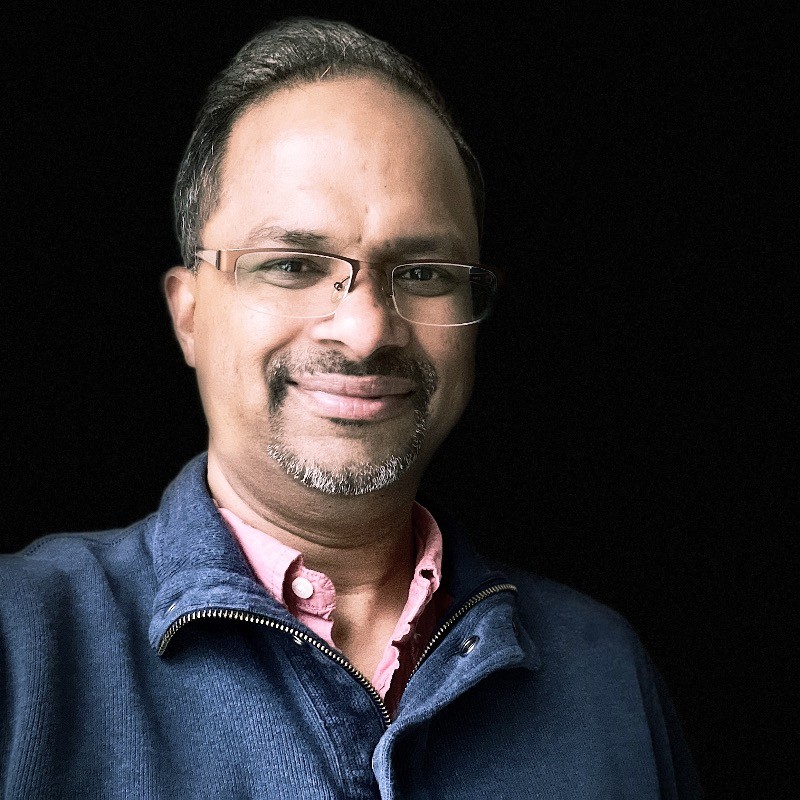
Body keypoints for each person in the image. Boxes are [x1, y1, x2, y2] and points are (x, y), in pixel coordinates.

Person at [0, 17, 701, 799]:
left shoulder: (604, 676)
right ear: (188, 313)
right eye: (294, 265)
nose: (366, 332)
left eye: (425, 272)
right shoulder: (21, 640)